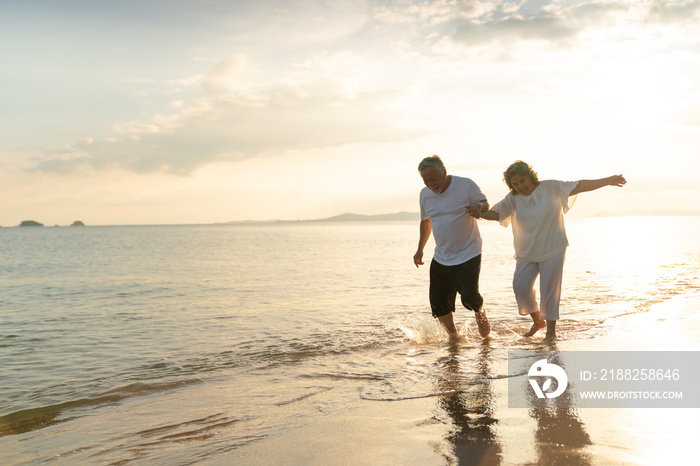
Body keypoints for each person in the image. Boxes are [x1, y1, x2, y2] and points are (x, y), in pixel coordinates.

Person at [476, 161, 626, 341]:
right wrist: (478, 213)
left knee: (549, 291)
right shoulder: (513, 197)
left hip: (553, 248)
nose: (520, 187)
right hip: (527, 252)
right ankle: (538, 321)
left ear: (531, 176)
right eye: (515, 184)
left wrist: (608, 180)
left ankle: (551, 334)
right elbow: (496, 213)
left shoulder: (551, 187)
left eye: (522, 181)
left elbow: (579, 185)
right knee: (520, 287)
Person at [413, 155, 491, 341]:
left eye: (433, 178)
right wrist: (420, 249)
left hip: (469, 251)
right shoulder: (424, 194)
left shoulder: (465, 185)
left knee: (469, 297)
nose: (430, 183)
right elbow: (426, 222)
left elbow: (485, 203)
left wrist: (478, 207)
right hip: (442, 256)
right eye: (426, 180)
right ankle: (454, 337)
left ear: (444, 173)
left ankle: (480, 312)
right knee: (438, 303)